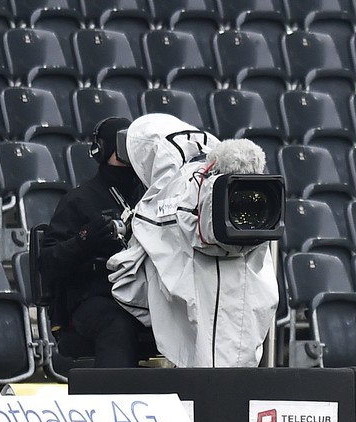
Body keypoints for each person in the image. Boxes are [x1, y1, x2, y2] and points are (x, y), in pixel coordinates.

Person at [107, 113, 279, 368]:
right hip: (214, 288)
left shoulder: (178, 188)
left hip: (229, 286)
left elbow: (133, 263)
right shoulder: (184, 181)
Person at [40, 116, 152, 368]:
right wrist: (84, 240)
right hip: (94, 298)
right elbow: (47, 262)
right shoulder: (79, 200)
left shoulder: (151, 196)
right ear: (102, 151)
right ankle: (118, 402)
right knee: (116, 323)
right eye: (121, 148)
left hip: (146, 295)